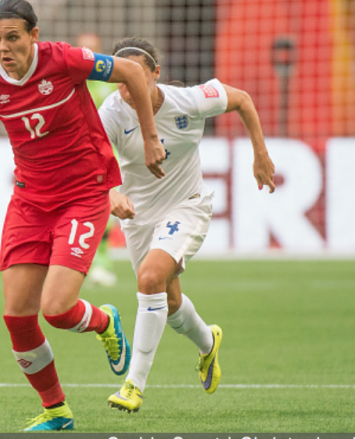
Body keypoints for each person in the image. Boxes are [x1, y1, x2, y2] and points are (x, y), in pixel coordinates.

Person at [0, 0, 166, 431]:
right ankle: (56, 411)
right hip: (30, 201)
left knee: (56, 308)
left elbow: (132, 72)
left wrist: (149, 137)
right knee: (17, 317)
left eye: (12, 37)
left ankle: (105, 321)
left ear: (34, 35)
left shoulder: (64, 59)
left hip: (83, 196)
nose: (3, 48)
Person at [98, 37, 276, 413]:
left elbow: (242, 98)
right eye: (120, 81)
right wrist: (112, 192)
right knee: (171, 301)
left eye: (137, 79)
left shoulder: (190, 100)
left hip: (187, 206)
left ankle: (134, 384)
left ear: (157, 74)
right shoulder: (111, 112)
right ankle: (208, 343)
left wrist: (260, 153)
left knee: (149, 279)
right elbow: (93, 161)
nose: (128, 90)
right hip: (139, 216)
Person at [75, 31, 118, 288]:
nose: (87, 54)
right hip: (76, 159)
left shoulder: (111, 82)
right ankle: (83, 264)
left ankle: (102, 264)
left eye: (91, 49)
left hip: (108, 157)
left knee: (106, 215)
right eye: (82, 49)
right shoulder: (70, 80)